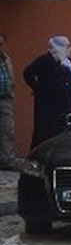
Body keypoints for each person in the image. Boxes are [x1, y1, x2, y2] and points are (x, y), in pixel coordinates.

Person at [23, 35, 71, 148]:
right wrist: (38, 88)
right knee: (46, 132)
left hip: (65, 102)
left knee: (64, 129)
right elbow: (28, 73)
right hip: (47, 104)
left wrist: (69, 85)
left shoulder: (68, 62)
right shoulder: (44, 61)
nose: (68, 49)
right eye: (65, 46)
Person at [0, 33, 15, 168]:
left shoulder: (6, 59)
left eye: (2, 44)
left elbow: (10, 76)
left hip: (5, 99)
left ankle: (7, 160)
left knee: (7, 130)